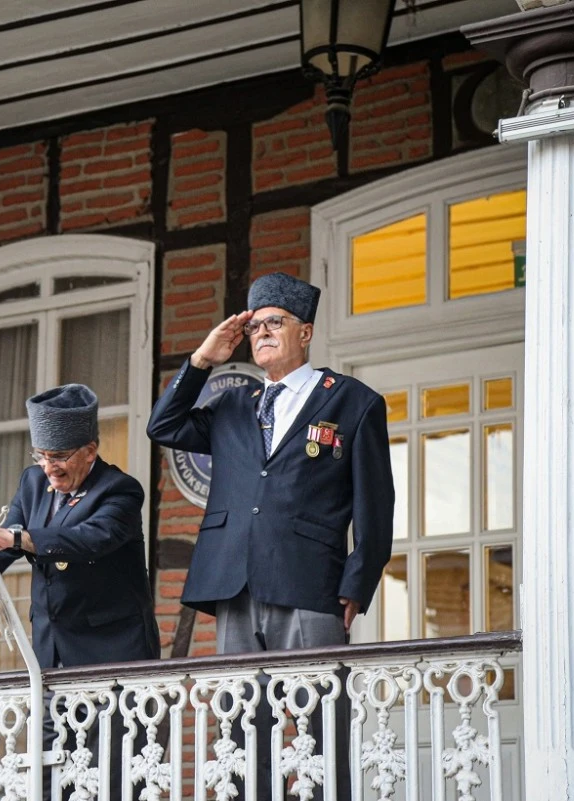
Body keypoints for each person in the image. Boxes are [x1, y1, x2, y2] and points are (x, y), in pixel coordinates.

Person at [146, 272, 393, 800]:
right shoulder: (234, 404)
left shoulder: (353, 402)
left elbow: (376, 507)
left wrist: (357, 584)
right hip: (234, 583)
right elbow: (162, 426)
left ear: (305, 332)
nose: (261, 332)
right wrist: (202, 360)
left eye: (274, 322)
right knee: (239, 726)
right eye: (254, 326)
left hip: (310, 584)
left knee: (317, 724)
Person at [0, 384, 159, 798]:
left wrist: (19, 539)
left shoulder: (120, 489)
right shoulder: (33, 482)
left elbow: (90, 539)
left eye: (60, 457)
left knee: (113, 775)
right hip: (50, 657)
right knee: (54, 774)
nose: (49, 467)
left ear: (90, 450)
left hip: (111, 656)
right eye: (41, 456)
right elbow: (7, 542)